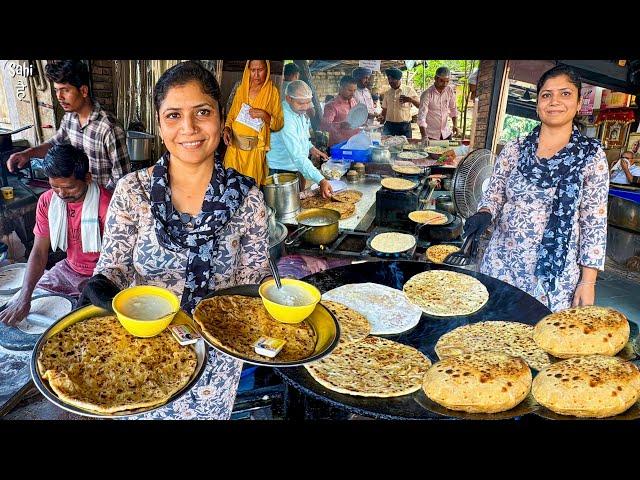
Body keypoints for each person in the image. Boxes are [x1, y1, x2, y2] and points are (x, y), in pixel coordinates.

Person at [80, 61, 270, 420]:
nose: (189, 128)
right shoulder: (132, 191)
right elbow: (115, 267)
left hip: (216, 362)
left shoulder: (247, 198)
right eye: (173, 115)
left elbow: (251, 288)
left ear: (221, 118)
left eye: (202, 112)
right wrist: (101, 286)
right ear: (158, 122)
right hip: (141, 352)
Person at [465, 65, 609, 312]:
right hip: (502, 264)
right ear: (538, 103)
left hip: (553, 278)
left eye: (565, 94)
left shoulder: (591, 156)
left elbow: (593, 223)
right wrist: (484, 213)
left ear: (577, 103)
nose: (554, 101)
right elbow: (495, 193)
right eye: (546, 95)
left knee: (537, 343)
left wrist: (588, 281)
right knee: (491, 337)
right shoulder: (515, 148)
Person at [0, 144, 112, 326]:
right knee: (31, 301)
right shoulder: (48, 201)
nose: (61, 194)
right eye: (54, 187)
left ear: (87, 178)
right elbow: (39, 251)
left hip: (100, 276)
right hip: (67, 269)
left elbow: (117, 263)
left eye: (69, 187)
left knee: (78, 324)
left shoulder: (107, 206)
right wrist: (24, 297)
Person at [7, 60, 130, 191]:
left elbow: (122, 178)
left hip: (103, 203)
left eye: (65, 90)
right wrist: (27, 154)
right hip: (79, 196)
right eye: (56, 90)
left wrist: (100, 199)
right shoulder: (69, 118)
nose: (59, 97)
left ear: (83, 91)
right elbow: (54, 144)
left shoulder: (108, 127)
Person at [266, 80, 332, 198]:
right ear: (288, 98)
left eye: (308, 103)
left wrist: (311, 148)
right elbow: (296, 155)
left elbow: (301, 138)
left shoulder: (298, 112)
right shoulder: (285, 117)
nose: (305, 107)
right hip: (280, 171)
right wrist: (321, 180)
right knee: (285, 208)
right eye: (301, 103)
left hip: (295, 167)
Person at [222, 60, 284, 185]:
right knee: (230, 186)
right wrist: (227, 129)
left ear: (266, 69)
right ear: (248, 70)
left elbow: (278, 124)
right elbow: (232, 114)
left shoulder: (272, 92)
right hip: (234, 149)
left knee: (251, 189)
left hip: (254, 153)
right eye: (253, 70)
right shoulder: (241, 89)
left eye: (260, 70)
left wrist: (265, 115)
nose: (256, 75)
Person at [417, 66, 459, 141]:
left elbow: (453, 109)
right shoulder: (427, 94)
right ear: (435, 78)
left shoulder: (449, 91)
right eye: (442, 81)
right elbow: (421, 116)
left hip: (446, 133)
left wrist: (455, 125)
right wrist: (424, 136)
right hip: (430, 135)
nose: (445, 84)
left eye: (447, 81)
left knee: (448, 152)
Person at [320, 75, 360, 147]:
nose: (353, 93)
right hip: (338, 146)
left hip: (353, 143)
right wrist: (340, 125)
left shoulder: (353, 101)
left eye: (354, 90)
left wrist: (362, 123)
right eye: (350, 90)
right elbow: (324, 126)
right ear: (341, 89)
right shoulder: (332, 105)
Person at [380, 67, 419, 138]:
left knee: (406, 147)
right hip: (389, 127)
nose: (390, 82)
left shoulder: (409, 90)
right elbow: (384, 110)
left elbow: (420, 105)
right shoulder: (387, 93)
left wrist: (410, 100)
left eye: (393, 80)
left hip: (404, 127)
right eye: (389, 79)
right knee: (388, 147)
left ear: (398, 79)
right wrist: (381, 123)